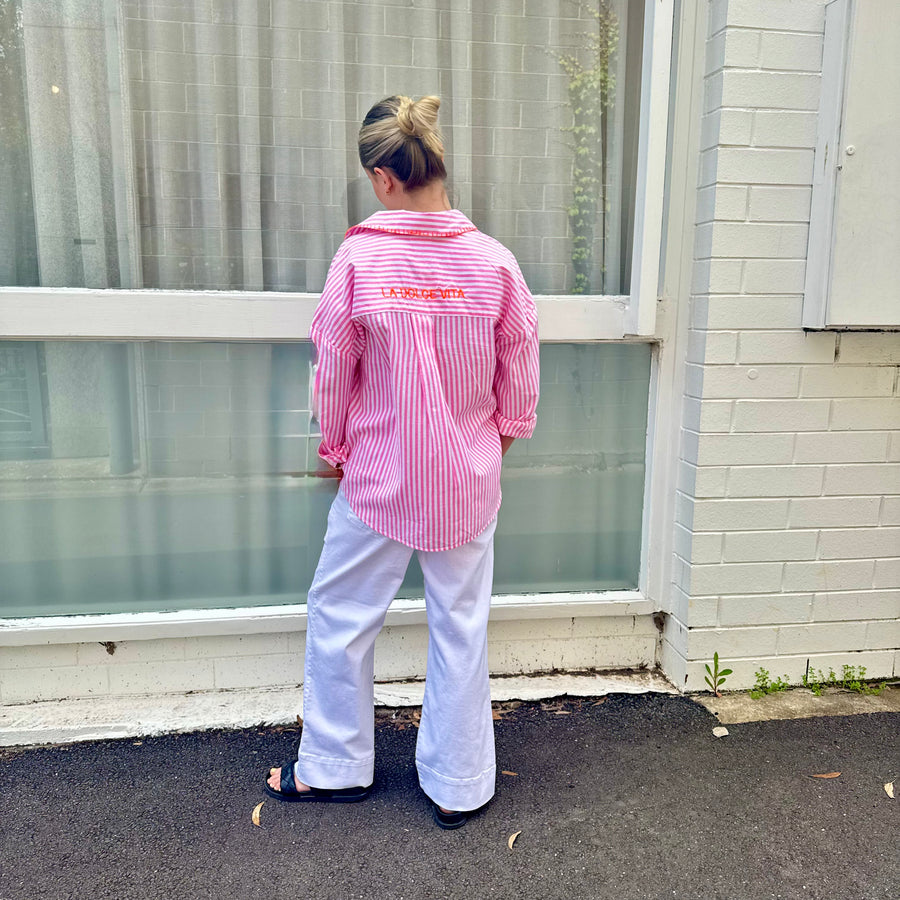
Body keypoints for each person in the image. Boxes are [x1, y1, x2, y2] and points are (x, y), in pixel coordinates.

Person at [265, 94, 540, 829]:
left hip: (379, 480)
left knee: (342, 617)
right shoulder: (494, 263)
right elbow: (519, 376)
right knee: (460, 624)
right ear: (436, 165)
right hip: (465, 484)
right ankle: (459, 784)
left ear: (384, 176)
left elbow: (333, 365)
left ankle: (335, 768)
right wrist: (489, 444)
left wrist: (337, 447)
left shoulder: (360, 257)